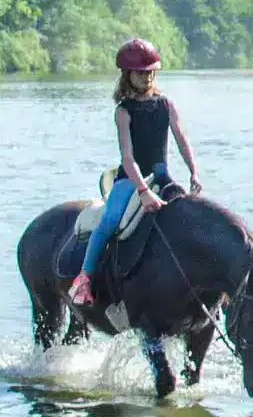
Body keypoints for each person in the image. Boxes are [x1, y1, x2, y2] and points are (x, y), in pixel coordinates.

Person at [69, 38, 202, 306]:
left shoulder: (166, 104)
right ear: (127, 75)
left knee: (188, 217)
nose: (147, 76)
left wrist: (194, 172)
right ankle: (84, 278)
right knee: (110, 221)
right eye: (141, 72)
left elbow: (181, 140)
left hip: (162, 176)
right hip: (130, 180)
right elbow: (128, 158)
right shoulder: (124, 112)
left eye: (151, 71)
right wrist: (142, 191)